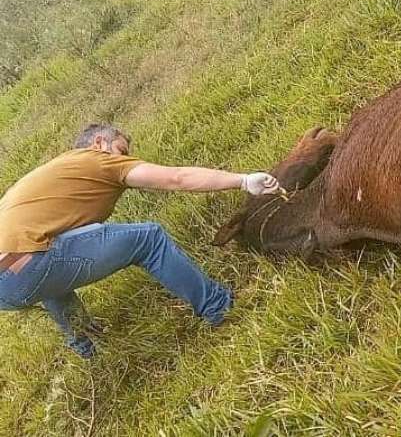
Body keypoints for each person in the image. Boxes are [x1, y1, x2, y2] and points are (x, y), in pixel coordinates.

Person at [0, 123, 280, 359]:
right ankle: (218, 307)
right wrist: (243, 181)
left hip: (8, 286)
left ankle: (88, 347)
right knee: (148, 238)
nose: (125, 158)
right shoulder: (96, 160)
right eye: (121, 150)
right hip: (26, 262)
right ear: (99, 143)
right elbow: (177, 178)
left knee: (51, 264)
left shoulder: (57, 172)